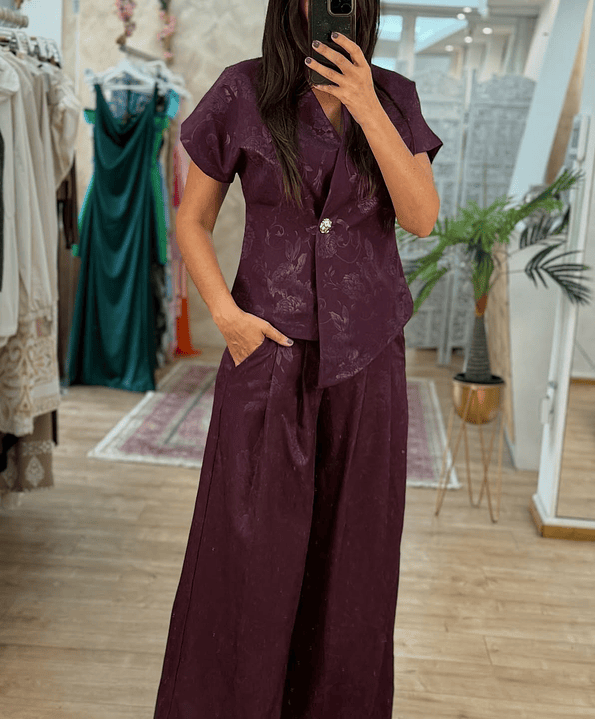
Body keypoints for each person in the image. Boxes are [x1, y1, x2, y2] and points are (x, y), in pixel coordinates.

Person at [153, 0, 443, 716]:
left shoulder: (395, 97)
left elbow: (421, 216)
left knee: (355, 562)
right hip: (268, 356)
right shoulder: (241, 90)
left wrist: (365, 103)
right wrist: (226, 316)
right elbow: (192, 218)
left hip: (368, 361)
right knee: (248, 557)